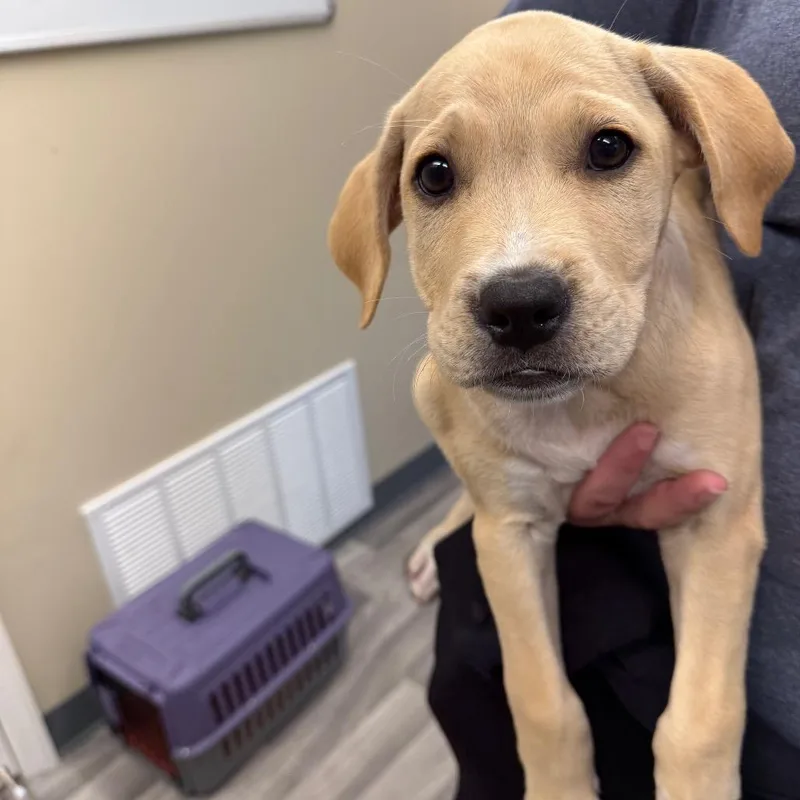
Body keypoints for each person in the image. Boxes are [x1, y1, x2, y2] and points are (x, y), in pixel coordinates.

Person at [427, 1, 800, 799]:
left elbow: (719, 529)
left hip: (763, 673)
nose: (513, 277)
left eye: (605, 149)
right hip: (621, 619)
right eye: (436, 174)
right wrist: (550, 753)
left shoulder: (675, 97)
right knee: (436, 393)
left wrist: (701, 760)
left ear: (689, 145)